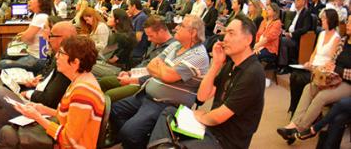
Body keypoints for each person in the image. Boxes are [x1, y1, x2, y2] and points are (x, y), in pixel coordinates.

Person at [147, 15, 265, 149]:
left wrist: (201, 116)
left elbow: (218, 117)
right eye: (226, 33)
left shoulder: (253, 73)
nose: (225, 38)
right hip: (211, 129)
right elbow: (202, 97)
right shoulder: (231, 64)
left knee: (178, 144)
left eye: (231, 33)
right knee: (169, 112)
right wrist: (215, 64)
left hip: (226, 141)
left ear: (248, 40)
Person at [110, 15, 209, 148]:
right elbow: (151, 65)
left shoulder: (198, 55)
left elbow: (168, 76)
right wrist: (164, 70)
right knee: (115, 110)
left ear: (193, 33)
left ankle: (132, 138)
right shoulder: (176, 45)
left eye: (182, 26)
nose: (176, 28)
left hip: (165, 103)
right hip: (146, 94)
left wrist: (162, 68)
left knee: (129, 132)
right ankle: (136, 140)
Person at [0, 35, 106, 149]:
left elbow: (68, 140)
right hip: (63, 136)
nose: (56, 57)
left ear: (75, 62)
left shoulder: (83, 93)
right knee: (8, 131)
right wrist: (43, 109)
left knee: (7, 133)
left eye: (61, 53)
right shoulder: (81, 80)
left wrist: (38, 117)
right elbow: (69, 116)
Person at [0, 19, 75, 139]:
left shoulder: (67, 64)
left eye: (51, 35)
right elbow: (48, 81)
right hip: (38, 104)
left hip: (42, 112)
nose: (48, 38)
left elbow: (49, 100)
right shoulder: (60, 57)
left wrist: (28, 93)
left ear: (63, 38)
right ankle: (3, 140)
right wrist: (38, 81)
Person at [277, 9, 344, 143]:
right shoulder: (321, 34)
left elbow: (331, 60)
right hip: (313, 67)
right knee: (294, 77)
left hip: (322, 72)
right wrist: (309, 62)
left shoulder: (336, 38)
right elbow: (314, 53)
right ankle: (293, 120)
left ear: (330, 20)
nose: (321, 21)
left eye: (324, 19)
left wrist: (316, 67)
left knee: (302, 82)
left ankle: (295, 124)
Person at [0, 0, 52, 73]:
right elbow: (27, 36)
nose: (29, 1)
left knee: (2, 64)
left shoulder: (41, 17)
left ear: (41, 3)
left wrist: (23, 36)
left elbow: (26, 38)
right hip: (33, 54)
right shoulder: (38, 15)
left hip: (37, 59)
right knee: (6, 55)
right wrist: (25, 36)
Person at [92, 9, 135, 78]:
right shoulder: (128, 33)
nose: (108, 18)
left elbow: (105, 56)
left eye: (111, 17)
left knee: (84, 65)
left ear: (117, 21)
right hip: (122, 67)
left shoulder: (119, 36)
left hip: (115, 69)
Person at [278, 0, 313, 74]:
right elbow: (292, 26)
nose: (295, 2)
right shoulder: (296, 13)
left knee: (283, 40)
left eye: (297, 0)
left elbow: (305, 29)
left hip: (298, 39)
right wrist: (285, 31)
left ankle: (284, 66)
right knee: (278, 36)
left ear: (303, 2)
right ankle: (277, 63)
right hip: (289, 35)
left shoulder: (306, 13)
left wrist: (291, 34)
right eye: (295, 0)